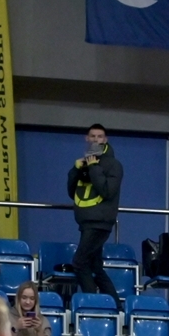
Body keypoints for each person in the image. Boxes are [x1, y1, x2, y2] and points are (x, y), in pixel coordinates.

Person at [67, 124, 123, 296]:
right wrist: (75, 170)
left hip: (100, 222)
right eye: (92, 136)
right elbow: (72, 192)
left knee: (79, 263)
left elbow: (107, 191)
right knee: (96, 267)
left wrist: (93, 167)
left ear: (105, 140)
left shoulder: (114, 165)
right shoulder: (83, 163)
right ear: (87, 138)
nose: (96, 140)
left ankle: (92, 303)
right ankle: (115, 306)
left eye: (99, 136)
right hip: (85, 221)